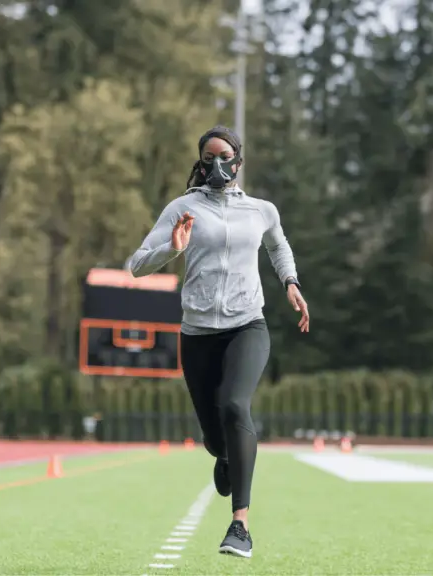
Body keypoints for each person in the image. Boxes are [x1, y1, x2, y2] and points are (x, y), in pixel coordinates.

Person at [127, 125, 309, 558]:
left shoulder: (261, 210)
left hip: (248, 324)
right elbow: (136, 265)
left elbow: (278, 246)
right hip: (198, 334)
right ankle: (226, 456)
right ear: (200, 161)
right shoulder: (183, 208)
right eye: (208, 157)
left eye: (224, 155)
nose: (216, 164)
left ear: (239, 161)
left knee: (234, 405)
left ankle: (240, 525)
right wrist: (172, 249)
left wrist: (291, 281)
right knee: (214, 438)